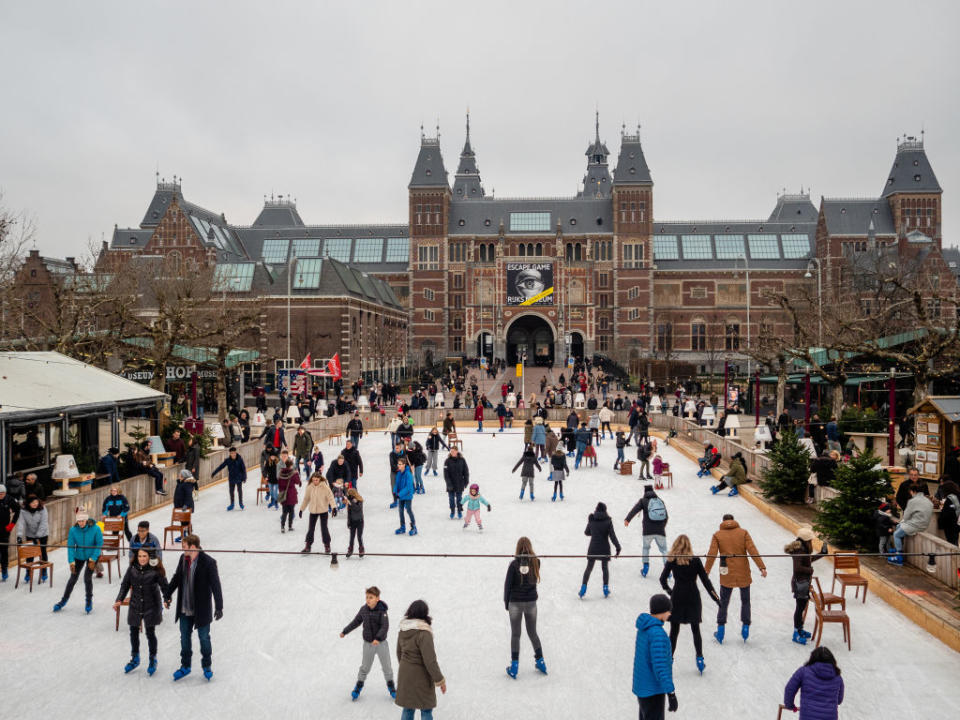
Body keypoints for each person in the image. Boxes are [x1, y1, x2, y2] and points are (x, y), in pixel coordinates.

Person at [164, 534, 224, 682]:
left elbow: (216, 585)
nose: (182, 550)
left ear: (192, 547)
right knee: (184, 637)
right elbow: (177, 578)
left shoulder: (208, 562)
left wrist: (219, 606)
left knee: (204, 638)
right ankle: (185, 666)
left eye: (184, 547)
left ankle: (207, 666)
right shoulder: (183, 559)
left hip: (201, 609)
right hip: (184, 607)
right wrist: (167, 594)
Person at [659, 534, 719, 676]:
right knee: (695, 630)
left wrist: (669, 591)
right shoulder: (696, 561)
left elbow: (662, 579)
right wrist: (716, 598)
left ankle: (668, 660)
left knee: (674, 632)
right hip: (693, 597)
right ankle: (699, 658)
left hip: (677, 597)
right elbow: (706, 582)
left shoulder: (672, 561)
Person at [704, 513, 767, 643]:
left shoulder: (718, 535)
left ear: (723, 521)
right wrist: (762, 567)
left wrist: (706, 572)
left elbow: (711, 554)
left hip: (726, 571)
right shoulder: (743, 533)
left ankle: (720, 631)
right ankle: (745, 627)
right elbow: (752, 550)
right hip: (743, 570)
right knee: (745, 600)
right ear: (734, 520)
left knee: (724, 601)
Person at [114, 548, 170, 675]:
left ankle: (152, 658)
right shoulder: (132, 569)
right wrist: (119, 600)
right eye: (140, 556)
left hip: (152, 605)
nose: (142, 558)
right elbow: (125, 585)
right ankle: (135, 658)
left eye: (144, 556)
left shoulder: (156, 570)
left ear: (150, 557)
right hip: (135, 604)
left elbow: (165, 587)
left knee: (150, 632)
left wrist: (167, 599)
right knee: (133, 631)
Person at [504, 536, 547, 678]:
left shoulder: (513, 565)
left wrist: (506, 604)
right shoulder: (536, 562)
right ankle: (541, 661)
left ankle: (514, 666)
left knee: (516, 634)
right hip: (531, 603)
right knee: (532, 632)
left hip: (515, 603)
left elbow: (507, 586)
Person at [342, 586, 395, 701]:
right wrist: (345, 631)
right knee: (365, 667)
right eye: (367, 597)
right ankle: (358, 686)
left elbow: (384, 626)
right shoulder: (364, 610)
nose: (368, 600)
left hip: (381, 644)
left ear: (377, 598)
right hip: (368, 645)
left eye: (371, 597)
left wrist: (378, 638)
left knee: (387, 667)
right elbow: (356, 622)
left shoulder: (382, 611)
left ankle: (391, 687)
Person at [395, 600, 446, 720]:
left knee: (407, 708)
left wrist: (406, 667)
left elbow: (399, 653)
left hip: (405, 675)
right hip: (421, 677)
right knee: (426, 709)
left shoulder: (403, 630)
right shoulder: (424, 633)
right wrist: (440, 680)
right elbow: (430, 661)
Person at [633, 594, 679, 719]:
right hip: (653, 691)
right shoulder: (657, 633)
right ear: (662, 611)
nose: (670, 614)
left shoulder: (644, 628)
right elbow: (660, 667)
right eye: (668, 610)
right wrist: (671, 693)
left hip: (643, 688)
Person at [53, 506, 103, 613]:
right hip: (79, 556)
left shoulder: (96, 528)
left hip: (92, 556)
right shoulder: (73, 530)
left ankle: (89, 600)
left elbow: (99, 544)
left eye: (83, 520)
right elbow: (70, 547)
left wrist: (93, 559)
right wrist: (71, 562)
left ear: (87, 519)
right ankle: (63, 600)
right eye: (79, 521)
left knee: (87, 578)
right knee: (72, 579)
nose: (81, 523)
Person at [785, 525, 829, 645]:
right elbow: (797, 568)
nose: (811, 542)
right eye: (810, 540)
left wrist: (822, 553)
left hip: (803, 582)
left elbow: (808, 560)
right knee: (800, 609)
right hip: (800, 583)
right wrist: (810, 571)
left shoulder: (802, 548)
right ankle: (796, 633)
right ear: (806, 540)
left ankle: (800, 629)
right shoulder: (800, 550)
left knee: (802, 607)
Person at [783, 646, 845, 720]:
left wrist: (790, 706)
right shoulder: (838, 677)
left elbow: (789, 689)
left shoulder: (803, 672)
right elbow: (839, 700)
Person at [624, 484, 669, 578]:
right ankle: (668, 570)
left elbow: (635, 510)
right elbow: (666, 517)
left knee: (646, 548)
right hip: (660, 531)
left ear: (645, 492)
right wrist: (662, 527)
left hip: (647, 531)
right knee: (664, 550)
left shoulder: (643, 501)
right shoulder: (660, 501)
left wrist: (627, 519)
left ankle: (645, 568)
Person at [579, 501, 622, 598]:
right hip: (604, 549)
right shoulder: (608, 521)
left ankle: (583, 588)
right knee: (605, 568)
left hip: (593, 548)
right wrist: (618, 547)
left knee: (589, 568)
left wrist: (592, 528)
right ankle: (605, 589)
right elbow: (612, 536)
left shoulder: (592, 519)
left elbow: (586, 532)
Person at [888, 483, 934, 565]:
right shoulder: (928, 501)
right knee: (899, 526)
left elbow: (906, 516)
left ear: (913, 491)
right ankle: (898, 548)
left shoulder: (913, 501)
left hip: (914, 525)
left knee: (896, 534)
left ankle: (899, 556)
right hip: (924, 525)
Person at [15, 494, 49, 584]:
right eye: (33, 503)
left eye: (36, 502)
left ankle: (44, 571)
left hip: (42, 535)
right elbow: (21, 523)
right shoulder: (23, 511)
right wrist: (19, 536)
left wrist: (38, 536)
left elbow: (44, 523)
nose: (35, 504)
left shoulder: (42, 509)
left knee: (42, 551)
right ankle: (28, 572)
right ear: (28, 503)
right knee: (30, 554)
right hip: (30, 534)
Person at [299, 473, 334, 553]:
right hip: (313, 511)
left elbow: (330, 497)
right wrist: (301, 509)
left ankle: (327, 545)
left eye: (317, 480)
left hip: (323, 510)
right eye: (313, 480)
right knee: (311, 528)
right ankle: (308, 546)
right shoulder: (309, 487)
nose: (315, 481)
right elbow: (306, 499)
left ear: (320, 479)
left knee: (324, 528)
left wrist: (333, 507)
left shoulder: (324, 486)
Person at [211, 446, 247, 511]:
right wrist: (214, 472)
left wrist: (244, 477)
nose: (233, 454)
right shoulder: (228, 460)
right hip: (231, 478)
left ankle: (241, 503)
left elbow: (243, 469)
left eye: (234, 453)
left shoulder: (240, 459)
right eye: (232, 453)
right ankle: (232, 504)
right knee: (231, 491)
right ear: (230, 454)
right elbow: (221, 467)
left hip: (239, 477)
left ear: (236, 453)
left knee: (239, 491)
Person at [0, 484, 21, 581]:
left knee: (4, 550)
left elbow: (18, 510)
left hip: (5, 529)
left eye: (2, 493)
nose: (1, 495)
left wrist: (12, 524)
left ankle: (4, 569)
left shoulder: (9, 499)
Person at [443, 446, 469, 520]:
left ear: (457, 451)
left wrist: (466, 481)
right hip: (450, 484)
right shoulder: (447, 461)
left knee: (459, 499)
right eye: (451, 451)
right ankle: (452, 511)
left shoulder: (462, 460)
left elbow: (466, 471)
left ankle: (459, 511)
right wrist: (449, 484)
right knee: (451, 499)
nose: (452, 452)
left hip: (459, 483)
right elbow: (446, 474)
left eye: (454, 451)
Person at [393, 457, 417, 536]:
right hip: (401, 495)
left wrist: (400, 494)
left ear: (404, 465)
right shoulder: (399, 473)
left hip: (407, 495)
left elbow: (409, 487)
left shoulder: (408, 474)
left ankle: (414, 527)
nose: (398, 465)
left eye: (400, 464)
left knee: (409, 510)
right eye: (398, 464)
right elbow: (397, 483)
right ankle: (402, 527)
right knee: (400, 511)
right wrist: (395, 491)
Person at [277, 458, 300, 533]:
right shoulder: (293, 473)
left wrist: (281, 492)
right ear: (291, 465)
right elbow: (297, 482)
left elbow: (279, 483)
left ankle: (282, 526)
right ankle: (290, 526)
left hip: (284, 494)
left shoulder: (281, 473)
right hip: (291, 494)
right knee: (291, 511)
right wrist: (297, 473)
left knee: (284, 512)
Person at [345, 487, 365, 558]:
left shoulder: (359, 501)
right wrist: (348, 522)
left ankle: (361, 549)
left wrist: (352, 503)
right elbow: (349, 513)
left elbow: (357, 509)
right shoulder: (350, 502)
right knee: (352, 537)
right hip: (352, 522)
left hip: (359, 521)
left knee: (359, 536)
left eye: (349, 494)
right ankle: (350, 549)